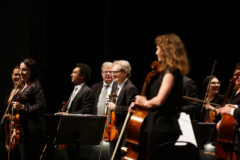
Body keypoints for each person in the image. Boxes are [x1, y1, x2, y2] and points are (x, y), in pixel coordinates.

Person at [129, 33, 190, 159]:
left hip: (163, 127)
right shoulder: (167, 71)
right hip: (158, 125)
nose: (156, 52)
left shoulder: (171, 71)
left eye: (158, 49)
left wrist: (143, 102)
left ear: (167, 50)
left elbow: (159, 101)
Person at [56, 63, 95, 160]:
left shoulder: (87, 91)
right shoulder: (75, 89)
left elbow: (86, 111)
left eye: (74, 73)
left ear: (82, 76)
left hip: (78, 134)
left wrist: (68, 114)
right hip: (70, 132)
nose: (71, 74)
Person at [11, 58, 47, 160]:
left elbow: (41, 106)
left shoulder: (36, 86)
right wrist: (15, 129)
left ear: (32, 71)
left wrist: (23, 107)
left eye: (25, 70)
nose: (21, 73)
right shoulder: (24, 86)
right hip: (23, 129)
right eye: (20, 69)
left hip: (33, 130)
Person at [107, 60, 138, 159]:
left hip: (123, 131)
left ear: (124, 72)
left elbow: (131, 110)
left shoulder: (130, 88)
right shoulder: (115, 85)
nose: (112, 75)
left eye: (115, 72)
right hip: (113, 129)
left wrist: (115, 107)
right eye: (112, 72)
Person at [91, 61, 117, 160]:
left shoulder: (118, 87)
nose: (108, 74)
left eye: (110, 72)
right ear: (101, 73)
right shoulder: (94, 87)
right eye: (105, 72)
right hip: (96, 126)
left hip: (111, 127)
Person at [0, 65, 23, 160]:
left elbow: (25, 112)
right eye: (15, 74)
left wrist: (13, 117)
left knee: (15, 154)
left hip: (16, 128)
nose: (17, 77)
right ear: (11, 76)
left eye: (20, 75)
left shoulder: (24, 92)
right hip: (6, 128)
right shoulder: (8, 91)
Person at [217, 66, 240, 160]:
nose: (237, 77)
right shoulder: (234, 91)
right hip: (233, 131)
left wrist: (231, 110)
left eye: (239, 75)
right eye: (236, 75)